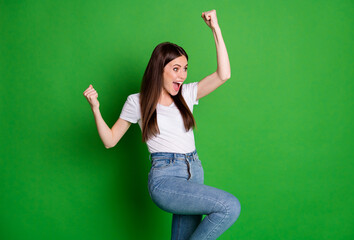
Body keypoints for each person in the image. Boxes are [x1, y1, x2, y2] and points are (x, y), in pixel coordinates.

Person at [83, 9, 240, 240]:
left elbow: (223, 75)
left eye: (185, 68)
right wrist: (96, 109)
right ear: (159, 69)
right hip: (166, 178)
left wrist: (215, 28)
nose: (182, 75)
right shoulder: (136, 102)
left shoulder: (186, 94)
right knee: (229, 207)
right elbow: (110, 141)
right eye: (175, 69)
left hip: (194, 170)